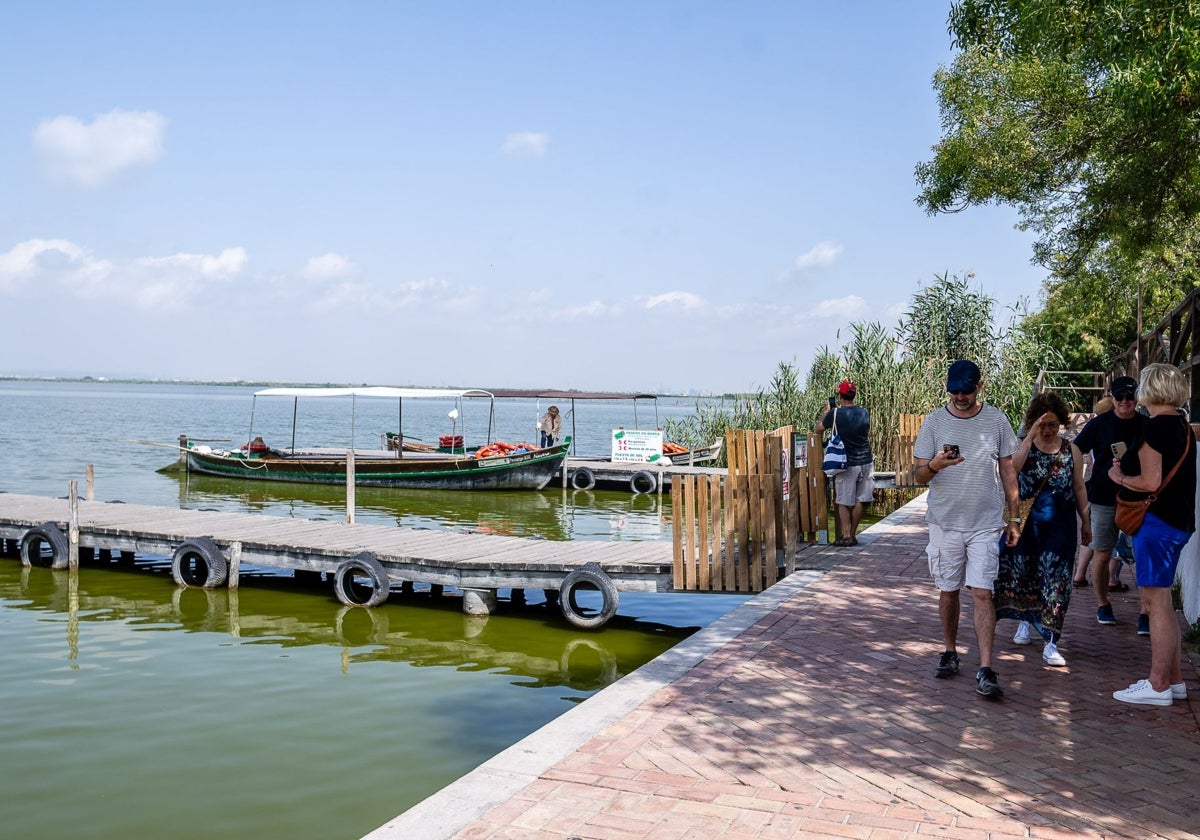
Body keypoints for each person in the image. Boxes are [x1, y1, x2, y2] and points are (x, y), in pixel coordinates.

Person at [913, 360, 1021, 700]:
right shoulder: (933, 422)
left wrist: (1014, 518)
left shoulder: (997, 419)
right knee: (948, 590)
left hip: (986, 524)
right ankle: (949, 650)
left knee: (982, 592)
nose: (960, 396)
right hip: (944, 522)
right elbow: (917, 475)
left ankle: (986, 668)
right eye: (955, 390)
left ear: (980, 386)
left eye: (967, 390)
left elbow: (1008, 471)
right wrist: (934, 465)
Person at [1108, 363, 1196, 706]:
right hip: (1178, 522)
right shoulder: (1182, 427)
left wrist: (1120, 479)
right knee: (1163, 604)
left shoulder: (1155, 428)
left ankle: (1157, 684)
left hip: (1156, 524)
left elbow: (1150, 482)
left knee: (1154, 602)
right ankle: (1173, 681)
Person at [996, 392, 1090, 667]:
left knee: (1058, 581)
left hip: (1060, 526)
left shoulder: (1071, 450)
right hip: (1027, 524)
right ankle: (1025, 621)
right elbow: (1012, 469)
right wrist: (1029, 436)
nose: (1048, 430)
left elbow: (1079, 487)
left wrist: (1086, 521)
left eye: (1052, 425)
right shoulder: (1024, 445)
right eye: (1043, 425)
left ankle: (1051, 640)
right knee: (1025, 575)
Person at [1071, 376, 1145, 625]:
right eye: (1120, 397)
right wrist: (1077, 479)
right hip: (1103, 497)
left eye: (1130, 397)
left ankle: (1147, 610)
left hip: (1140, 499)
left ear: (1137, 398)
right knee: (1101, 554)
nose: (1125, 402)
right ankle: (1103, 604)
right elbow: (1076, 448)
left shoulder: (1147, 425)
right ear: (1112, 398)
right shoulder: (1099, 424)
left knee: (1144, 555)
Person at [814, 380, 874, 546]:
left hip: (846, 463)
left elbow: (818, 429)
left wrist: (827, 412)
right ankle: (853, 535)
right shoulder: (864, 412)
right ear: (854, 395)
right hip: (866, 461)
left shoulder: (834, 414)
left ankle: (846, 536)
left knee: (842, 501)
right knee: (860, 499)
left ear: (840, 396)